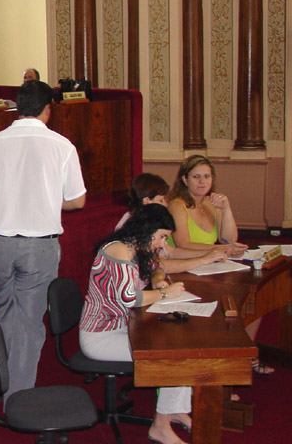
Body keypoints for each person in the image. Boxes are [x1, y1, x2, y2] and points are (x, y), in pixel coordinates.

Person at [0, 80, 86, 405]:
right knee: (30, 323)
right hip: (39, 247)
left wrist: (8, 205)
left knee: (1, 311)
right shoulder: (62, 146)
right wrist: (43, 201)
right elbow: (77, 202)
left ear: (17, 107)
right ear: (48, 109)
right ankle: (17, 400)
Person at [80, 204, 191, 444]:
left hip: (123, 326)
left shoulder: (137, 246)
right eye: (161, 236)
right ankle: (160, 427)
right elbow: (129, 298)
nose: (162, 243)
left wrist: (159, 279)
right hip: (100, 335)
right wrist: (165, 294)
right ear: (147, 229)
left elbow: (156, 268)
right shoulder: (118, 250)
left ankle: (175, 410)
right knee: (173, 357)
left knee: (182, 343)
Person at [167, 155, 271, 374]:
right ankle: (224, 365)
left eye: (207, 176)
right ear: (185, 180)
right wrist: (217, 250)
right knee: (228, 306)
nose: (202, 182)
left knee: (254, 300)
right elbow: (182, 243)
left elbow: (229, 238)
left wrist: (226, 209)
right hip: (184, 268)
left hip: (209, 265)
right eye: (196, 177)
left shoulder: (211, 203)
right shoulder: (177, 205)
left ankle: (246, 355)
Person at [116, 173, 228, 276]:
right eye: (161, 200)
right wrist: (204, 260)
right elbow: (158, 265)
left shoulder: (152, 222)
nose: (166, 204)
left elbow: (172, 252)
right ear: (147, 201)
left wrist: (211, 253)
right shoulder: (133, 226)